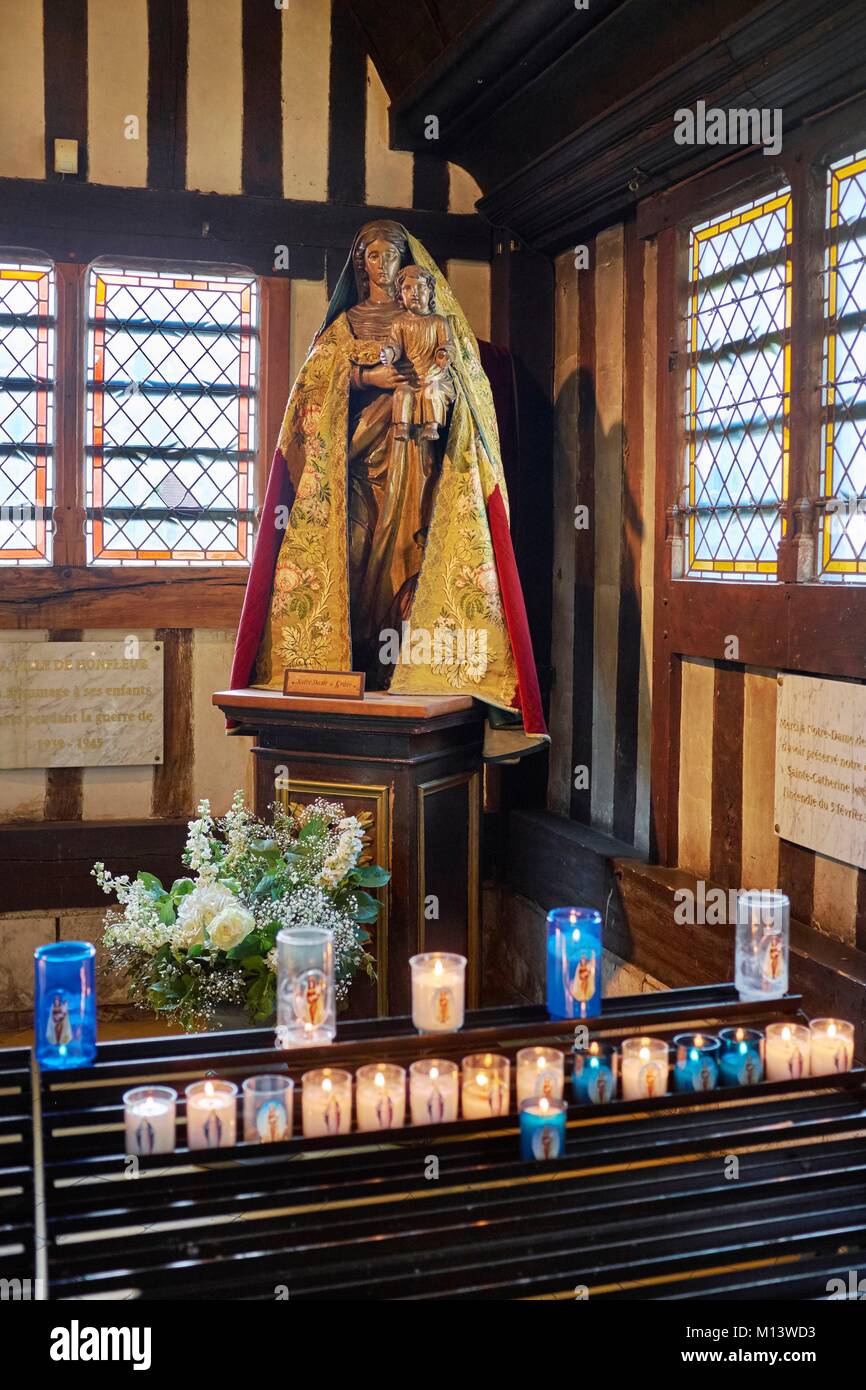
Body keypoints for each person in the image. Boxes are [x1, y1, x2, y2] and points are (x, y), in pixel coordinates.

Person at [229, 219, 547, 759]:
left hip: (420, 464)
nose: (382, 266)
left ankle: (402, 665)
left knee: (411, 561)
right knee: (355, 556)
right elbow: (309, 395)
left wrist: (434, 391)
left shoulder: (437, 322)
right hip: (355, 468)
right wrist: (363, 379)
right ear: (361, 263)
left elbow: (471, 402)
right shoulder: (345, 325)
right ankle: (354, 659)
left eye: (391, 255)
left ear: (408, 263)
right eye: (372, 257)